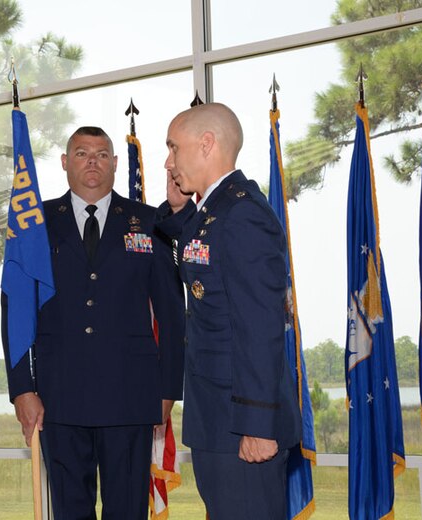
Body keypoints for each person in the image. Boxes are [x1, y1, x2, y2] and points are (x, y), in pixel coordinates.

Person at [2, 126, 185, 519]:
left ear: (116, 164)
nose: (92, 162)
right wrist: (22, 389)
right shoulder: (35, 223)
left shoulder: (148, 222)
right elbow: (15, 308)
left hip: (130, 398)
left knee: (127, 510)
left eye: (102, 154)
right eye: (82, 153)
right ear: (66, 163)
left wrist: (168, 389)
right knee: (70, 511)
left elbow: (171, 315)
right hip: (58, 398)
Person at [158, 103, 301, 519]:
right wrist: (182, 212)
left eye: (173, 147)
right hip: (220, 421)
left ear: (206, 144)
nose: (168, 161)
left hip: (243, 425)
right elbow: (206, 262)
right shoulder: (216, 210)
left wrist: (257, 424)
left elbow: (260, 327)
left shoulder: (243, 215)